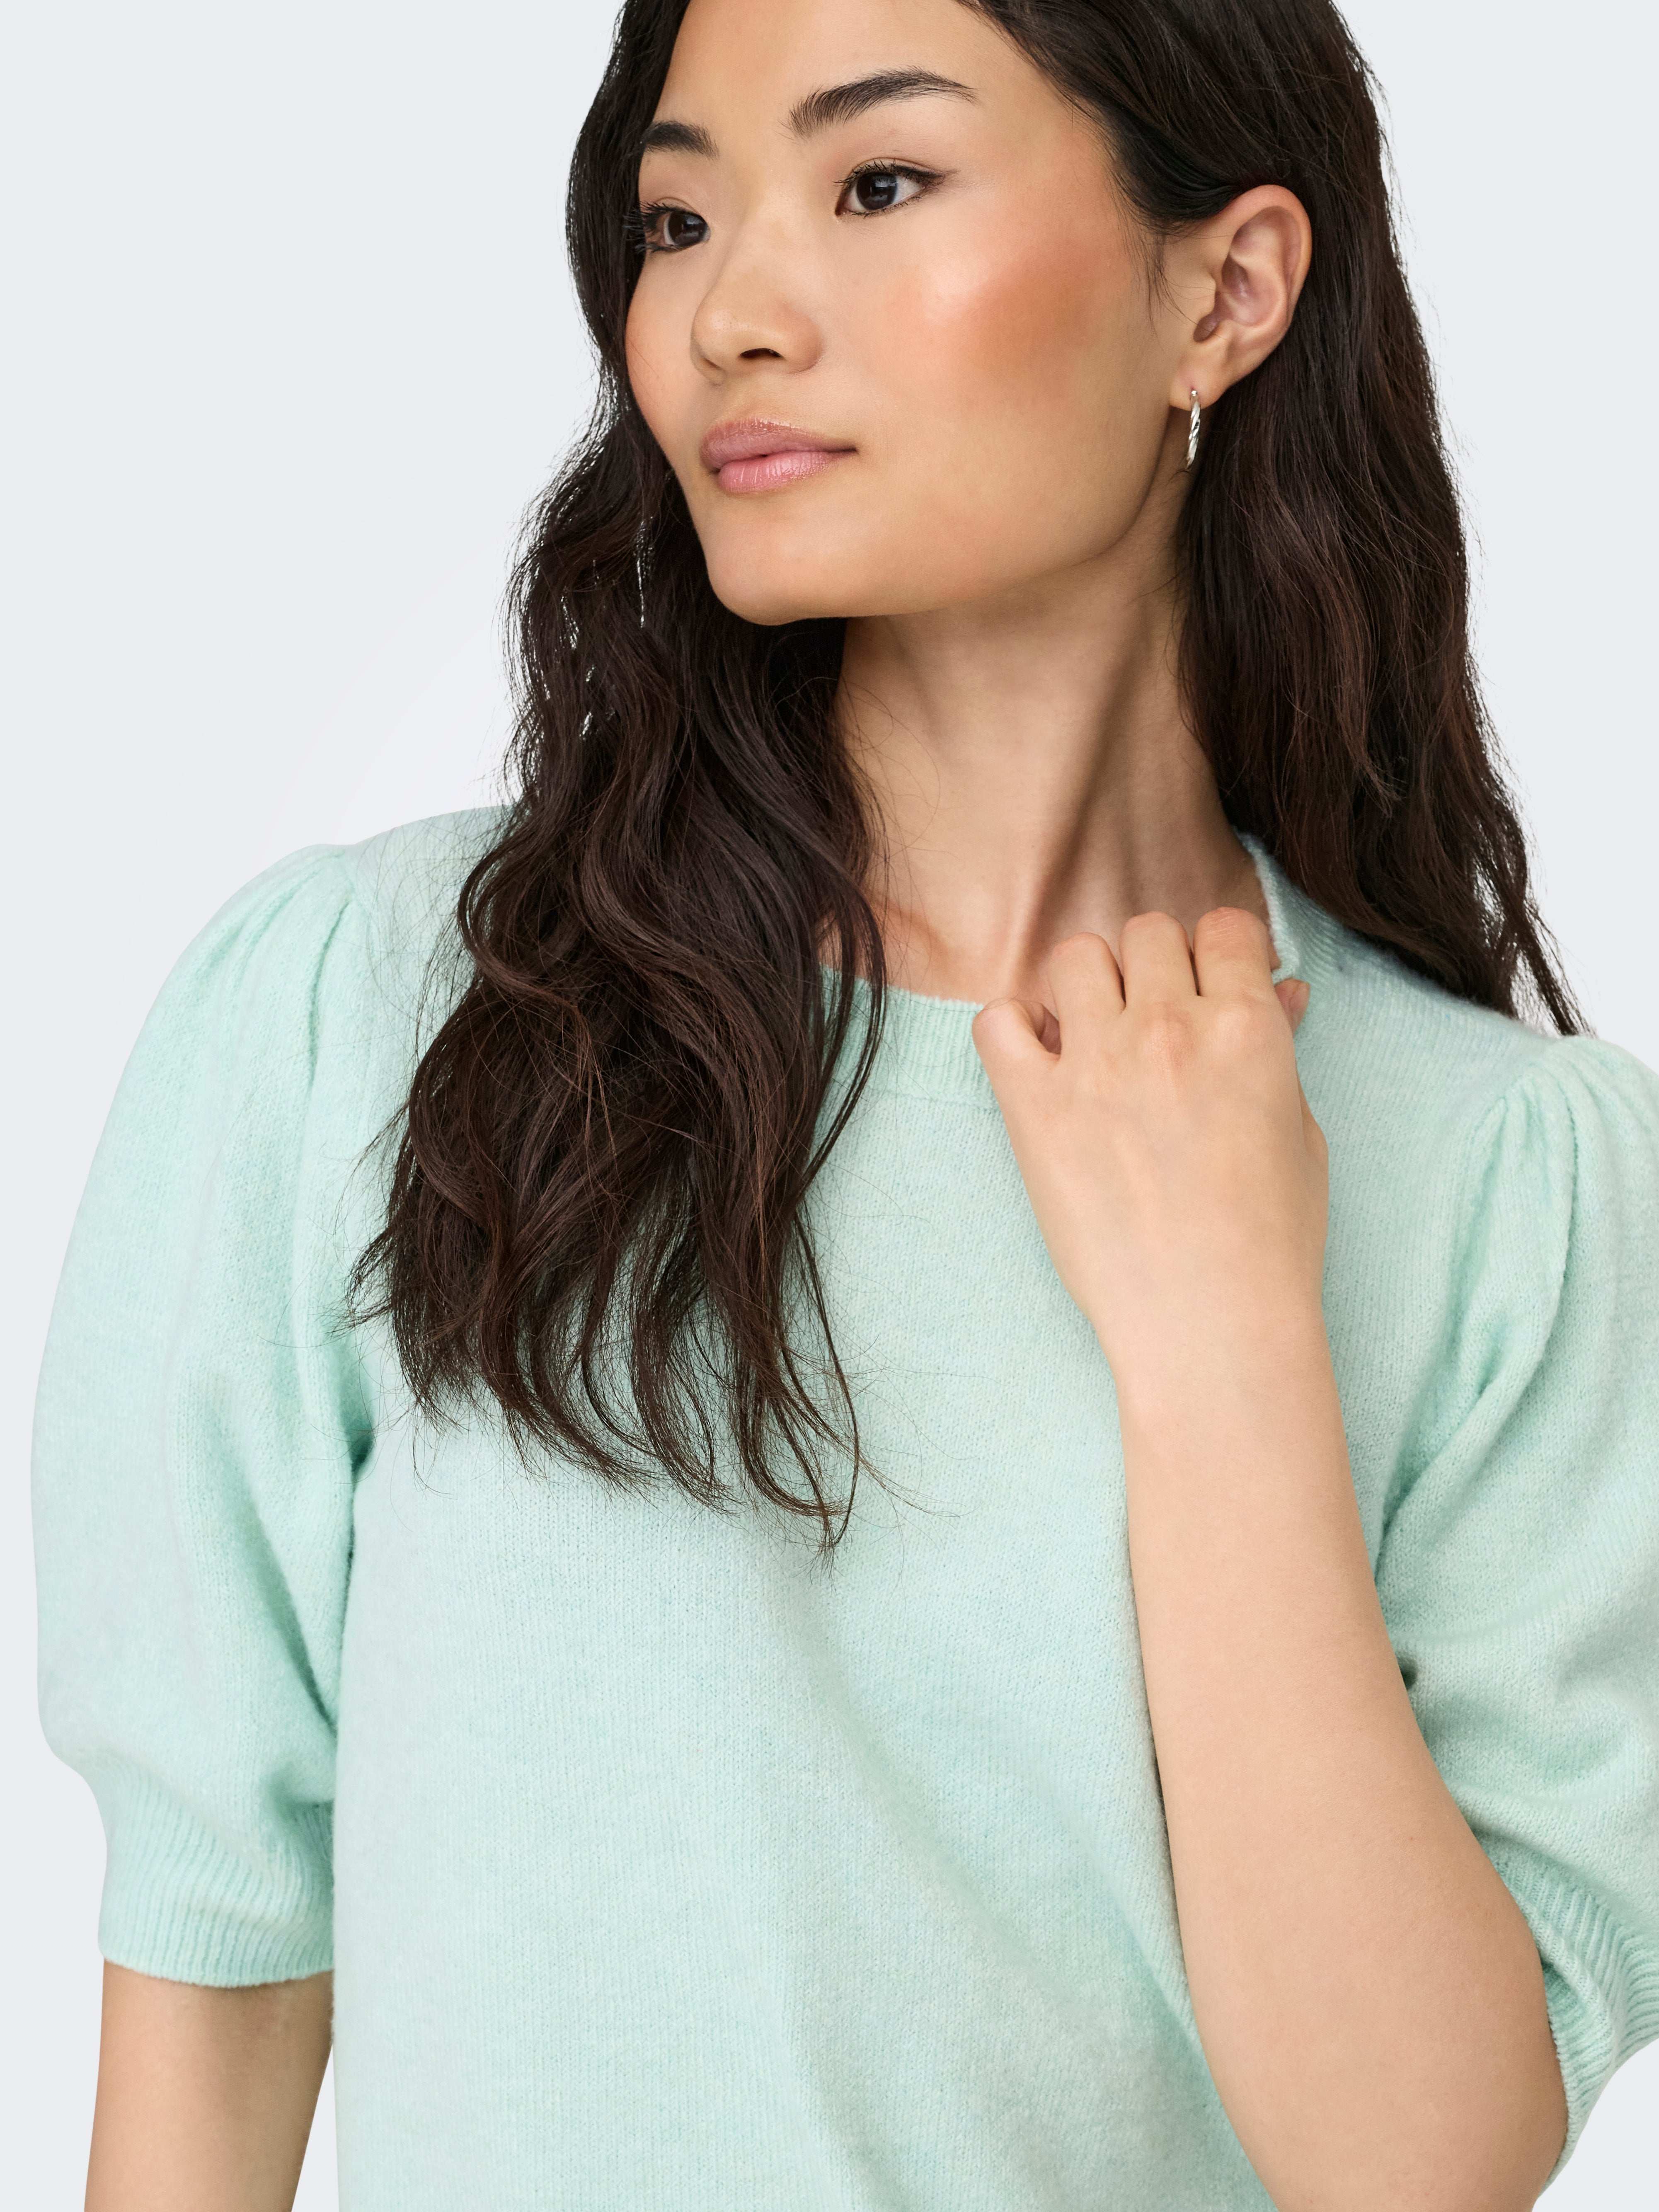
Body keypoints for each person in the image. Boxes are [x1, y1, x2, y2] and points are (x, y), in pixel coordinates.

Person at [32, 1, 1659, 2207]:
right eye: (676, 218)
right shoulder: (385, 1016)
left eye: (877, 181)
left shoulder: (1512, 1183)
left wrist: (1221, 1351)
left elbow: (1418, 2168)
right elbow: (219, 1959)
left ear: (1226, 290)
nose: (731, 312)